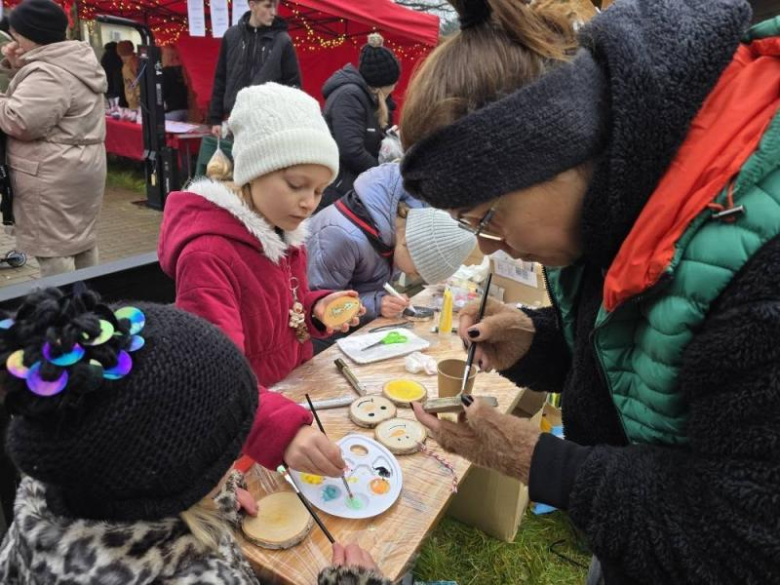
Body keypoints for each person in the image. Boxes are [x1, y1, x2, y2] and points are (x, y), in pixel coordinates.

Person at [400, 0, 780, 584]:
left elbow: (745, 535)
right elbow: (640, 351)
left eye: (488, 218)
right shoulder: (617, 194)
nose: (493, 248)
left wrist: (535, 460)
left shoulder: (756, 249)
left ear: (555, 153)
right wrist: (540, 341)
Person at [0, 287, 388, 584]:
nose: (234, 458)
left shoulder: (53, 492)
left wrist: (206, 492)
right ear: (173, 474)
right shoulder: (199, 577)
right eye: (228, 453)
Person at [159, 83, 363, 479]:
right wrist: (277, 429)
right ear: (253, 170)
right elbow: (212, 371)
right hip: (242, 426)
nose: (309, 202)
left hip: (284, 398)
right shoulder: (209, 254)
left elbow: (288, 303)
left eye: (319, 191)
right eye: (295, 184)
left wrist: (317, 308)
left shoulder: (284, 236)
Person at [0, 0, 106, 277]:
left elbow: (21, 120)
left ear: (32, 35)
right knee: (81, 243)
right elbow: (47, 100)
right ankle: (91, 307)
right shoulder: (72, 61)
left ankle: (64, 313)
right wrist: (17, 66)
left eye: (17, 35)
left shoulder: (49, 73)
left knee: (54, 252)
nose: (14, 40)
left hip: (52, 175)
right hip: (79, 166)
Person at [308, 162, 476, 328]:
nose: (413, 277)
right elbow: (320, 305)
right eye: (417, 272)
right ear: (409, 245)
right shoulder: (341, 236)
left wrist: (381, 300)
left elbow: (365, 285)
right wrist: (375, 304)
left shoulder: (390, 238)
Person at [319, 33, 401, 211]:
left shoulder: (375, 100)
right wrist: (382, 175)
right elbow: (351, 150)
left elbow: (374, 138)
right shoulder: (349, 96)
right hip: (336, 192)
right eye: (392, 85)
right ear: (379, 85)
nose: (395, 88)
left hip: (355, 190)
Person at [208, 0, 301, 137]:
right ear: (252, 5)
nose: (273, 12)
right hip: (235, 123)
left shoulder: (282, 41)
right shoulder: (231, 35)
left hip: (269, 124)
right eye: (268, 6)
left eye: (275, 7)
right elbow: (221, 78)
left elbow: (293, 86)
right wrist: (215, 119)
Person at [162, 46, 189, 121]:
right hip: (184, 108)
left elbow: (162, 92)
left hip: (171, 110)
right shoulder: (183, 71)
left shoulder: (165, 72)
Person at [116, 40, 141, 111]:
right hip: (134, 99)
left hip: (136, 101)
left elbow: (138, 81)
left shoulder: (132, 63)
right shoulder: (131, 61)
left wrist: (138, 98)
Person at [100, 41, 125, 106]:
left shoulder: (105, 56)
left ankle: (112, 107)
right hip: (117, 81)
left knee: (111, 99)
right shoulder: (117, 55)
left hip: (107, 80)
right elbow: (119, 68)